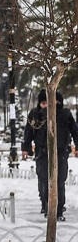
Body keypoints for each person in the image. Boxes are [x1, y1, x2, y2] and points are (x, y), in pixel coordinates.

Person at [21, 89, 78, 220]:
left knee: (59, 182)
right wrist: (26, 148)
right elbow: (28, 132)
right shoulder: (35, 115)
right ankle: (47, 206)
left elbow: (75, 131)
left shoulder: (65, 114)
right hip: (42, 154)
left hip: (61, 153)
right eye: (44, 102)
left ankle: (58, 211)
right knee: (44, 181)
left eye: (52, 102)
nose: (48, 105)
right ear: (40, 103)